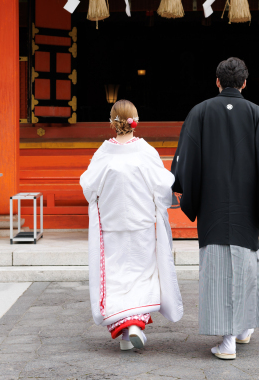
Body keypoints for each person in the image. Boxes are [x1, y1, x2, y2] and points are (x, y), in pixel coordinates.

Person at [171, 57, 259, 360]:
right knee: (247, 263)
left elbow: (185, 162)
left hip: (213, 207)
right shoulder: (256, 114)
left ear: (217, 81)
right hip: (246, 206)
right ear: (244, 83)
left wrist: (190, 194)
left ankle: (230, 337)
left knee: (218, 268)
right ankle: (240, 330)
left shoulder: (199, 113)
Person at [81, 99, 183, 351]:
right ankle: (135, 325)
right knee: (142, 273)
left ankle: (126, 334)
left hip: (112, 225)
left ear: (111, 122)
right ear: (135, 120)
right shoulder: (145, 150)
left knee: (115, 276)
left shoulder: (104, 152)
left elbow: (89, 188)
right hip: (142, 224)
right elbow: (162, 186)